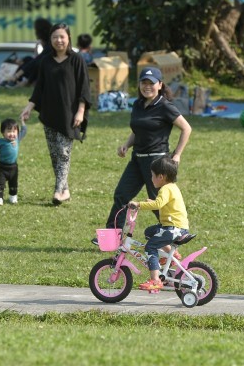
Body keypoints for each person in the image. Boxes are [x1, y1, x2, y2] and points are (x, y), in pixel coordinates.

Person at [92, 66, 192, 244]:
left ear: (160, 85)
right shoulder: (138, 104)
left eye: (151, 83)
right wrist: (126, 145)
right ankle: (112, 238)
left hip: (157, 162)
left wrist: (177, 155)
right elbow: (137, 130)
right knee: (121, 195)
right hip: (137, 159)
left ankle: (174, 233)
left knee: (157, 202)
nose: (147, 86)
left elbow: (186, 128)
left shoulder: (165, 106)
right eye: (144, 83)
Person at [20, 23, 91, 205]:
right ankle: (65, 189)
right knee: (54, 154)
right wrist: (29, 107)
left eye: (62, 37)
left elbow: (84, 87)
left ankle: (58, 190)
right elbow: (39, 88)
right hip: (49, 113)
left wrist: (81, 112)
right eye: (55, 37)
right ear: (50, 40)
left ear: (68, 38)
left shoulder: (77, 60)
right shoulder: (46, 61)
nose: (59, 40)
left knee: (63, 152)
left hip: (70, 114)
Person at [128, 157, 189, 291]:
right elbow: (163, 204)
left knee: (150, 246)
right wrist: (151, 203)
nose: (151, 178)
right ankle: (173, 256)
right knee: (150, 232)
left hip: (174, 228)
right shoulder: (172, 187)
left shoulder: (165, 189)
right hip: (176, 227)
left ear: (161, 176)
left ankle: (155, 280)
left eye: (152, 175)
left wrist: (138, 204)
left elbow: (159, 203)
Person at [3, 18, 53, 88]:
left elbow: (37, 61)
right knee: (28, 59)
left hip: (51, 72)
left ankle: (23, 81)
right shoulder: (46, 43)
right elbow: (37, 58)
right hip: (45, 69)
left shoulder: (51, 45)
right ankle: (15, 80)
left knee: (36, 63)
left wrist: (17, 75)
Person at [0, 117, 28, 205]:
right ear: (3, 133)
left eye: (14, 131)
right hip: (2, 167)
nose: (12, 134)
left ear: (17, 132)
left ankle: (13, 196)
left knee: (13, 183)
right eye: (9, 131)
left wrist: (22, 122)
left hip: (13, 167)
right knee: (0, 183)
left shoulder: (17, 139)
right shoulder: (0, 142)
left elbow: (24, 131)